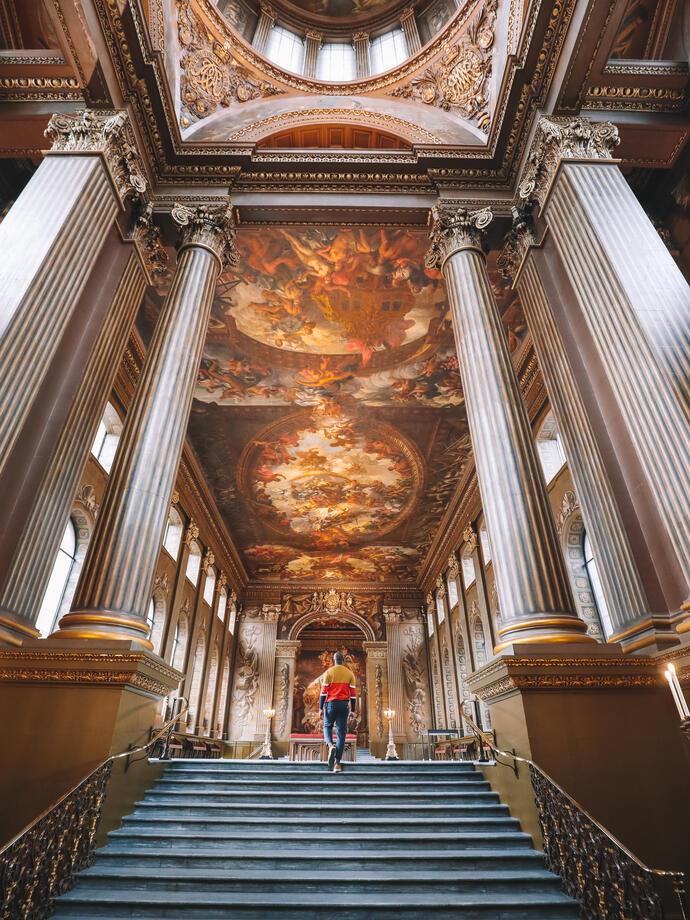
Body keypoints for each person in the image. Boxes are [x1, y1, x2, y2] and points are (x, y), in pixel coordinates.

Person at [319, 651, 356, 773]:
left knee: (327, 726)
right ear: (343, 660)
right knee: (341, 732)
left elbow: (323, 692)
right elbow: (353, 695)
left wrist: (320, 708)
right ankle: (337, 763)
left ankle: (330, 746)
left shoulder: (329, 672)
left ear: (333, 660)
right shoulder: (349, 673)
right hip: (344, 705)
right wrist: (353, 710)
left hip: (331, 704)